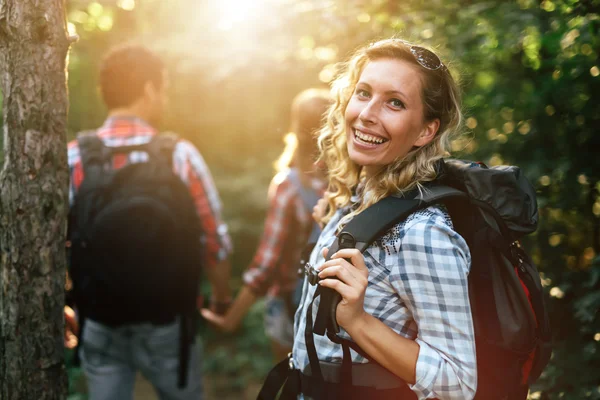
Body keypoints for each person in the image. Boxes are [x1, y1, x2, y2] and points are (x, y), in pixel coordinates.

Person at [288, 38, 477, 399]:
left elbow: (457, 383)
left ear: (426, 131)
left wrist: (358, 321)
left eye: (395, 102)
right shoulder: (358, 200)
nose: (367, 114)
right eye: (363, 93)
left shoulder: (424, 233)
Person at [64, 44, 232, 400]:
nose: (164, 98)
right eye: (164, 88)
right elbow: (215, 240)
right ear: (149, 88)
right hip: (168, 320)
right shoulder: (180, 155)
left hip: (100, 317)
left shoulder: (76, 156)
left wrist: (65, 301)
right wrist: (219, 299)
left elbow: (55, 244)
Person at [201, 89, 331, 361]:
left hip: (290, 308)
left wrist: (231, 317)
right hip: (335, 311)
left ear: (296, 128)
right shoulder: (349, 183)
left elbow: (267, 263)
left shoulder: (289, 187)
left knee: (289, 384)